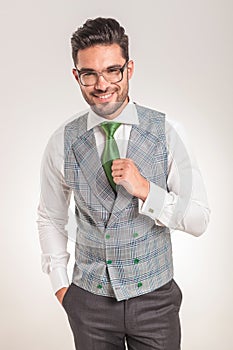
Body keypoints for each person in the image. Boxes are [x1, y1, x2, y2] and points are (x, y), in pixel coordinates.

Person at [37, 17, 210, 350]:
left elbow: (199, 218)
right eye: (90, 74)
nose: (102, 85)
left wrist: (146, 189)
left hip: (154, 301)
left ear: (129, 69)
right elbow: (50, 217)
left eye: (112, 70)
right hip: (88, 303)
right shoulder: (61, 141)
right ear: (77, 75)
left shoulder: (167, 133)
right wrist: (62, 288)